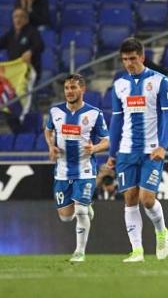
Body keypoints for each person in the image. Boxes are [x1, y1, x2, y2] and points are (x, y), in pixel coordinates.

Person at [107, 38, 168, 263]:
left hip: (152, 150)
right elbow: (116, 122)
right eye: (125, 59)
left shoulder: (160, 81)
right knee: (130, 199)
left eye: (133, 59)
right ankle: (137, 251)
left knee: (147, 199)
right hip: (126, 151)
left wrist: (162, 146)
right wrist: (112, 154)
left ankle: (161, 232)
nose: (129, 63)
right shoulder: (119, 85)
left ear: (142, 57)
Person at [44, 73, 108, 262]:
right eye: (66, 88)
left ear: (82, 89)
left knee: (80, 211)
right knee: (65, 217)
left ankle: (79, 252)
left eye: (73, 88)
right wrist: (50, 145)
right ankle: (86, 206)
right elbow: (48, 130)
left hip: (85, 169)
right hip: (62, 170)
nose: (69, 92)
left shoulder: (94, 113)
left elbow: (107, 141)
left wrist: (94, 148)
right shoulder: (55, 112)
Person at [0, 8, 44, 77]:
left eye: (21, 16)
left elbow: (40, 45)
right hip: (13, 70)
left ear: (27, 20)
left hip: (28, 71)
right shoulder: (10, 33)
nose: (18, 19)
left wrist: (30, 51)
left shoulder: (32, 32)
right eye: (15, 17)